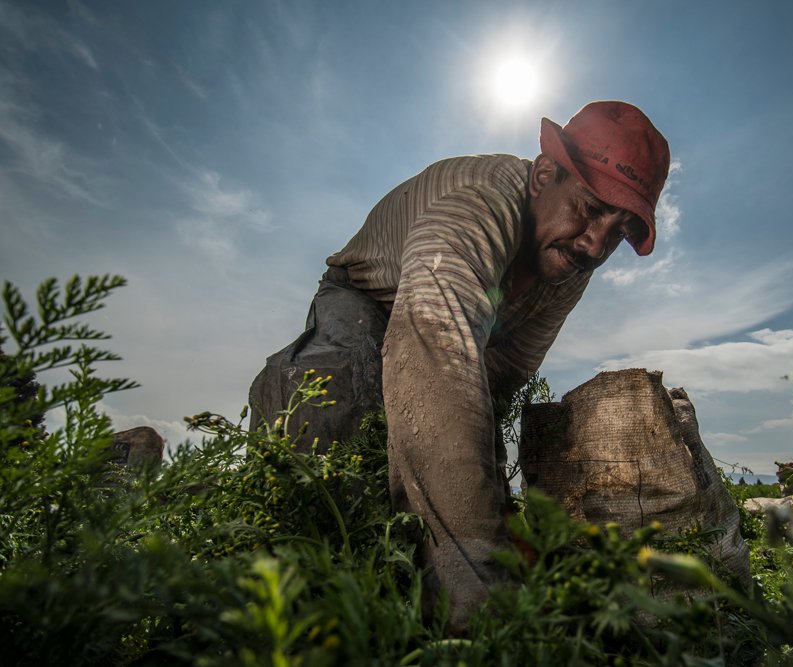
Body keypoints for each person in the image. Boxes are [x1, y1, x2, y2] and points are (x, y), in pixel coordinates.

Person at [248, 101, 671, 630]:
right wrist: (479, 585)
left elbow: (500, 373)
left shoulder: (569, 262)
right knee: (335, 410)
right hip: (368, 298)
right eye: (589, 208)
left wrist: (486, 501)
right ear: (544, 174)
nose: (595, 243)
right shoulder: (478, 205)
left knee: (465, 461)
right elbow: (434, 356)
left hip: (459, 326)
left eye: (619, 230)